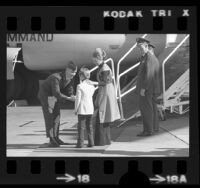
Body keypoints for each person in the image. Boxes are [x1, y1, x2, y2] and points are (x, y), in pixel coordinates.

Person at [38, 61, 77, 147]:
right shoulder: (56, 78)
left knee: (57, 117)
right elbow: (56, 93)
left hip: (54, 97)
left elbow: (69, 89)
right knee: (49, 116)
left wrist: (72, 95)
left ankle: (56, 138)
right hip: (46, 96)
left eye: (75, 72)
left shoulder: (70, 78)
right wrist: (68, 98)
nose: (73, 74)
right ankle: (51, 140)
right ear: (67, 70)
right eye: (72, 72)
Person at [92, 48, 121, 146]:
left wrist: (94, 83)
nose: (93, 61)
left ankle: (101, 141)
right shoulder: (103, 67)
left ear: (97, 58)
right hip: (106, 92)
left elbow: (105, 82)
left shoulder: (104, 68)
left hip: (105, 92)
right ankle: (105, 140)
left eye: (94, 59)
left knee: (102, 116)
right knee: (105, 118)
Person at [135, 38, 161, 136]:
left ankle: (148, 130)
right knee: (151, 109)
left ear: (146, 46)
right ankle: (153, 128)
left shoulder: (149, 57)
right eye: (138, 47)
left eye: (141, 47)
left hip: (147, 89)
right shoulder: (146, 57)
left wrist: (143, 88)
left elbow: (149, 75)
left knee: (146, 110)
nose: (139, 49)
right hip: (150, 88)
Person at [74, 67, 96, 148]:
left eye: (80, 75)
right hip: (90, 108)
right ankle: (91, 142)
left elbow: (78, 100)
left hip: (82, 109)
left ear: (82, 76)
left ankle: (80, 143)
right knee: (89, 126)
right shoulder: (92, 86)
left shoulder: (79, 86)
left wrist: (76, 109)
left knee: (81, 127)